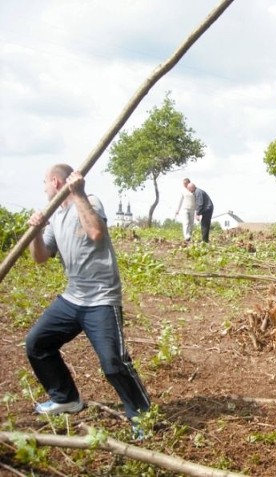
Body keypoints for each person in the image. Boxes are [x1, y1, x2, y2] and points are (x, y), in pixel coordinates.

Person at [25, 164, 150, 428]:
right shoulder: (55, 215)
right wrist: (36, 231)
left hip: (101, 298)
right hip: (72, 299)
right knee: (37, 344)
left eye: (45, 182)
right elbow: (40, 258)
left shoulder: (90, 201)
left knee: (113, 363)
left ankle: (143, 416)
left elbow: (95, 233)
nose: (44, 188)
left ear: (57, 182)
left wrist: (79, 194)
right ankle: (66, 399)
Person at [174, 178, 195, 242]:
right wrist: (177, 209)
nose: (184, 185)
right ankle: (186, 236)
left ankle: (189, 236)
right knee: (186, 222)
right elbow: (180, 201)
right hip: (185, 208)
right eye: (184, 184)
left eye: (185, 183)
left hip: (192, 209)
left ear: (189, 183)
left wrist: (198, 211)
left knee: (191, 223)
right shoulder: (182, 191)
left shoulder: (193, 190)